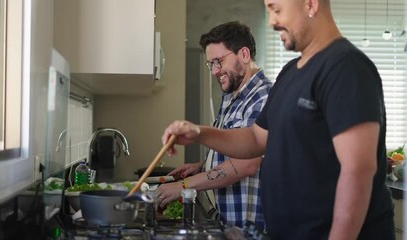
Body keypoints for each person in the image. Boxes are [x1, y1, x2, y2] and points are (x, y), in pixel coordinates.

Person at [160, 0, 395, 239]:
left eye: (277, 9)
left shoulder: (346, 67)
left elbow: (358, 171)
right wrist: (199, 132)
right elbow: (255, 138)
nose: (272, 21)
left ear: (310, 4)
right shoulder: (291, 72)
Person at [155, 21, 273, 228]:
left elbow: (247, 164)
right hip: (228, 221)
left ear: (244, 55)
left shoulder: (262, 97)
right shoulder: (231, 95)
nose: (215, 71)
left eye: (219, 61)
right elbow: (233, 145)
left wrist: (183, 186)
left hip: (249, 227)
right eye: (211, 64)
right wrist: (203, 164)